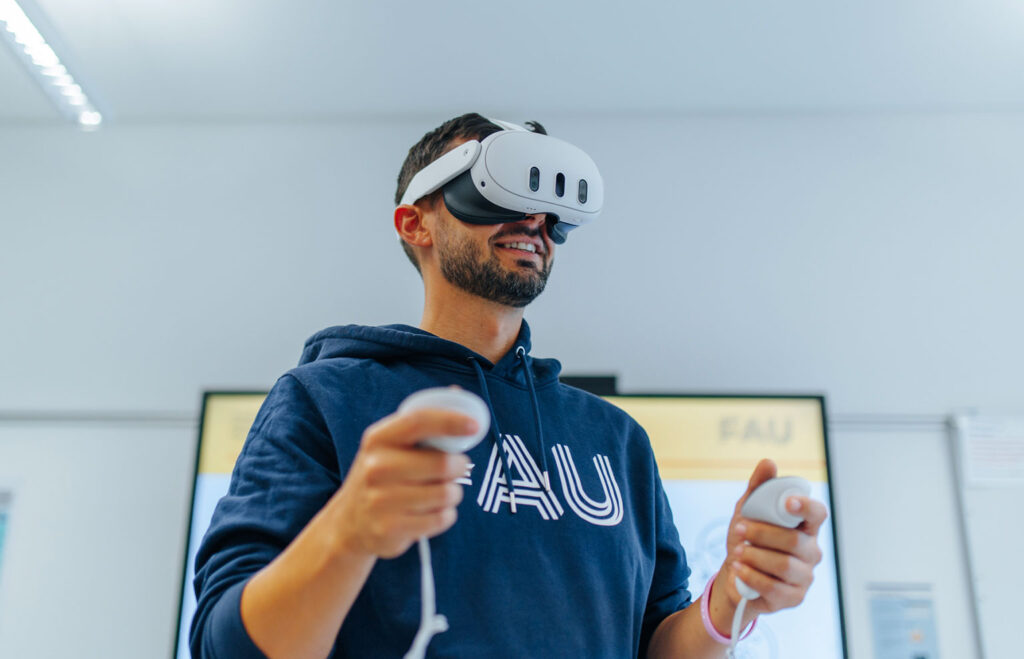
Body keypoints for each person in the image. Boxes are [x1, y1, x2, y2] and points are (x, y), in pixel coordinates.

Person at [190, 113, 828, 659]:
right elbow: (228, 643)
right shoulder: (324, 400)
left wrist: (732, 595)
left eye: (549, 206)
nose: (533, 219)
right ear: (415, 223)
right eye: (493, 189)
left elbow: (656, 642)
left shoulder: (616, 439)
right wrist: (350, 533)